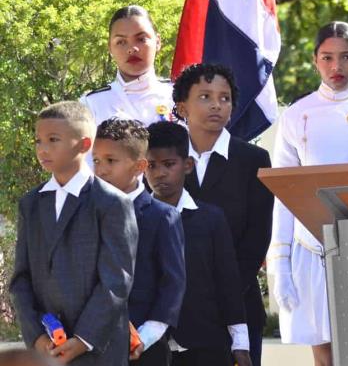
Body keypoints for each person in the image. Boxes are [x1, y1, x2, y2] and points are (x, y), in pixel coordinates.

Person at [267, 22, 348, 366]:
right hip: (311, 246)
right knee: (323, 353)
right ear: (314, 60)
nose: (336, 67)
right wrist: (279, 260)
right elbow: (284, 191)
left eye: (346, 57)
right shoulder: (297, 115)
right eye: (327, 57)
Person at [10, 101, 138, 365]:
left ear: (84, 145)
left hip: (97, 350)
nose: (42, 149)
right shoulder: (30, 204)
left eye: (53, 140)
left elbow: (116, 281)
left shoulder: (111, 202)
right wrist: (36, 337)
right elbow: (21, 279)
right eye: (38, 141)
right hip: (46, 350)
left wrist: (82, 339)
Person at [172, 63, 274, 366]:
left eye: (225, 98)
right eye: (204, 96)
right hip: (173, 312)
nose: (217, 104)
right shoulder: (164, 159)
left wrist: (219, 298)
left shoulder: (254, 159)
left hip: (237, 310)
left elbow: (256, 240)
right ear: (182, 106)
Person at [145, 121, 251, 366]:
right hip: (149, 348)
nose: (159, 173)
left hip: (206, 343)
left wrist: (240, 342)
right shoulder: (132, 218)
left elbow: (228, 282)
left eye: (169, 164)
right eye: (151, 165)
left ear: (188, 165)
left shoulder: (210, 219)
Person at [93, 118, 186, 366]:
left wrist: (144, 337)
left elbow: (172, 284)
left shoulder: (162, 216)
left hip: (144, 349)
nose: (101, 170)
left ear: (139, 166)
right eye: (96, 161)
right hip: (92, 345)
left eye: (111, 161)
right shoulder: (86, 213)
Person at [81, 6, 175, 127]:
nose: (132, 49)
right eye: (121, 42)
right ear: (110, 47)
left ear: (157, 42)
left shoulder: (180, 95)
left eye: (141, 39)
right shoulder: (92, 104)